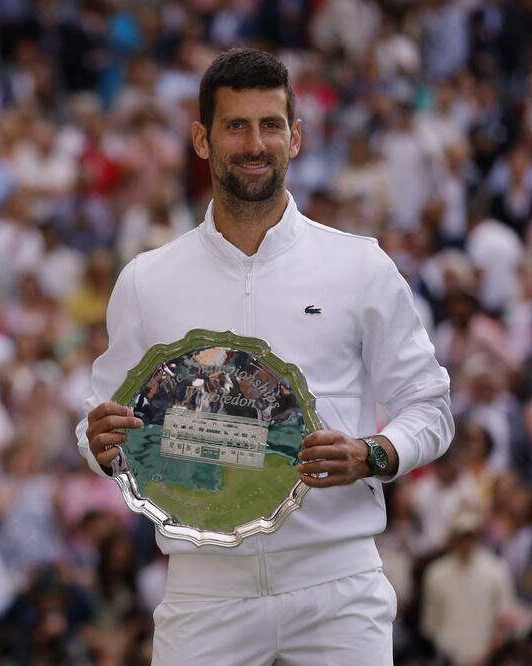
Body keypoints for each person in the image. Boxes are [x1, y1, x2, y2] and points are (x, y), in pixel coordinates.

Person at [77, 48, 453, 665]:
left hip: (338, 587)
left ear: (296, 137)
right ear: (202, 140)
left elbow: (430, 408)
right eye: (235, 126)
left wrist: (374, 454)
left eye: (270, 125)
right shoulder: (147, 280)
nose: (256, 143)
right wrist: (94, 444)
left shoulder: (359, 265)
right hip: (204, 591)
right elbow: (103, 423)